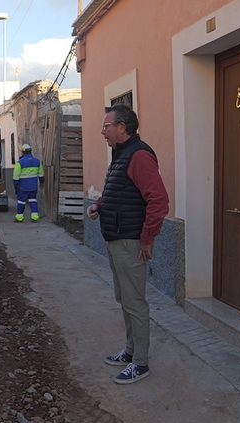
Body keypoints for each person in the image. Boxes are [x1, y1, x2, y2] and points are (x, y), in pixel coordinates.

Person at [86, 104, 169, 384]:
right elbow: (121, 192)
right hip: (117, 239)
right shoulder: (122, 155)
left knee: (135, 303)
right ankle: (131, 351)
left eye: (106, 126)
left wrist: (147, 239)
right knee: (125, 299)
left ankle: (141, 363)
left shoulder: (139, 155)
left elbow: (159, 200)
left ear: (122, 127)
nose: (102, 132)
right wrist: (99, 204)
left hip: (130, 242)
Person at [12, 144, 45, 222]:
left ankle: (19, 217)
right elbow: (41, 174)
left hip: (23, 186)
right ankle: (35, 217)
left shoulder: (20, 162)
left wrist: (15, 184)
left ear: (23, 152)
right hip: (33, 186)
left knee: (21, 201)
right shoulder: (37, 161)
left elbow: (16, 175)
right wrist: (42, 182)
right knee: (33, 200)